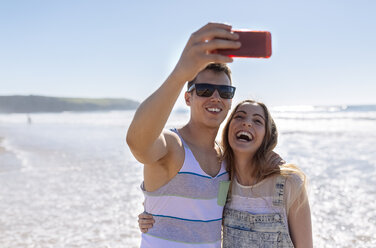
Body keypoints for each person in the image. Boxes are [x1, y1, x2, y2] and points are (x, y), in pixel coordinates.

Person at [126, 22, 241, 248]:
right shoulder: (173, 146)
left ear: (230, 101)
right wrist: (180, 74)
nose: (216, 98)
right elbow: (137, 143)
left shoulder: (227, 159)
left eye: (225, 92)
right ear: (188, 98)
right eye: (205, 90)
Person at [139, 100, 313, 248]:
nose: (247, 123)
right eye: (239, 116)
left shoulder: (289, 184)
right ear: (229, 128)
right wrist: (151, 213)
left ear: (267, 136)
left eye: (258, 121)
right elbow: (196, 209)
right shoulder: (224, 179)